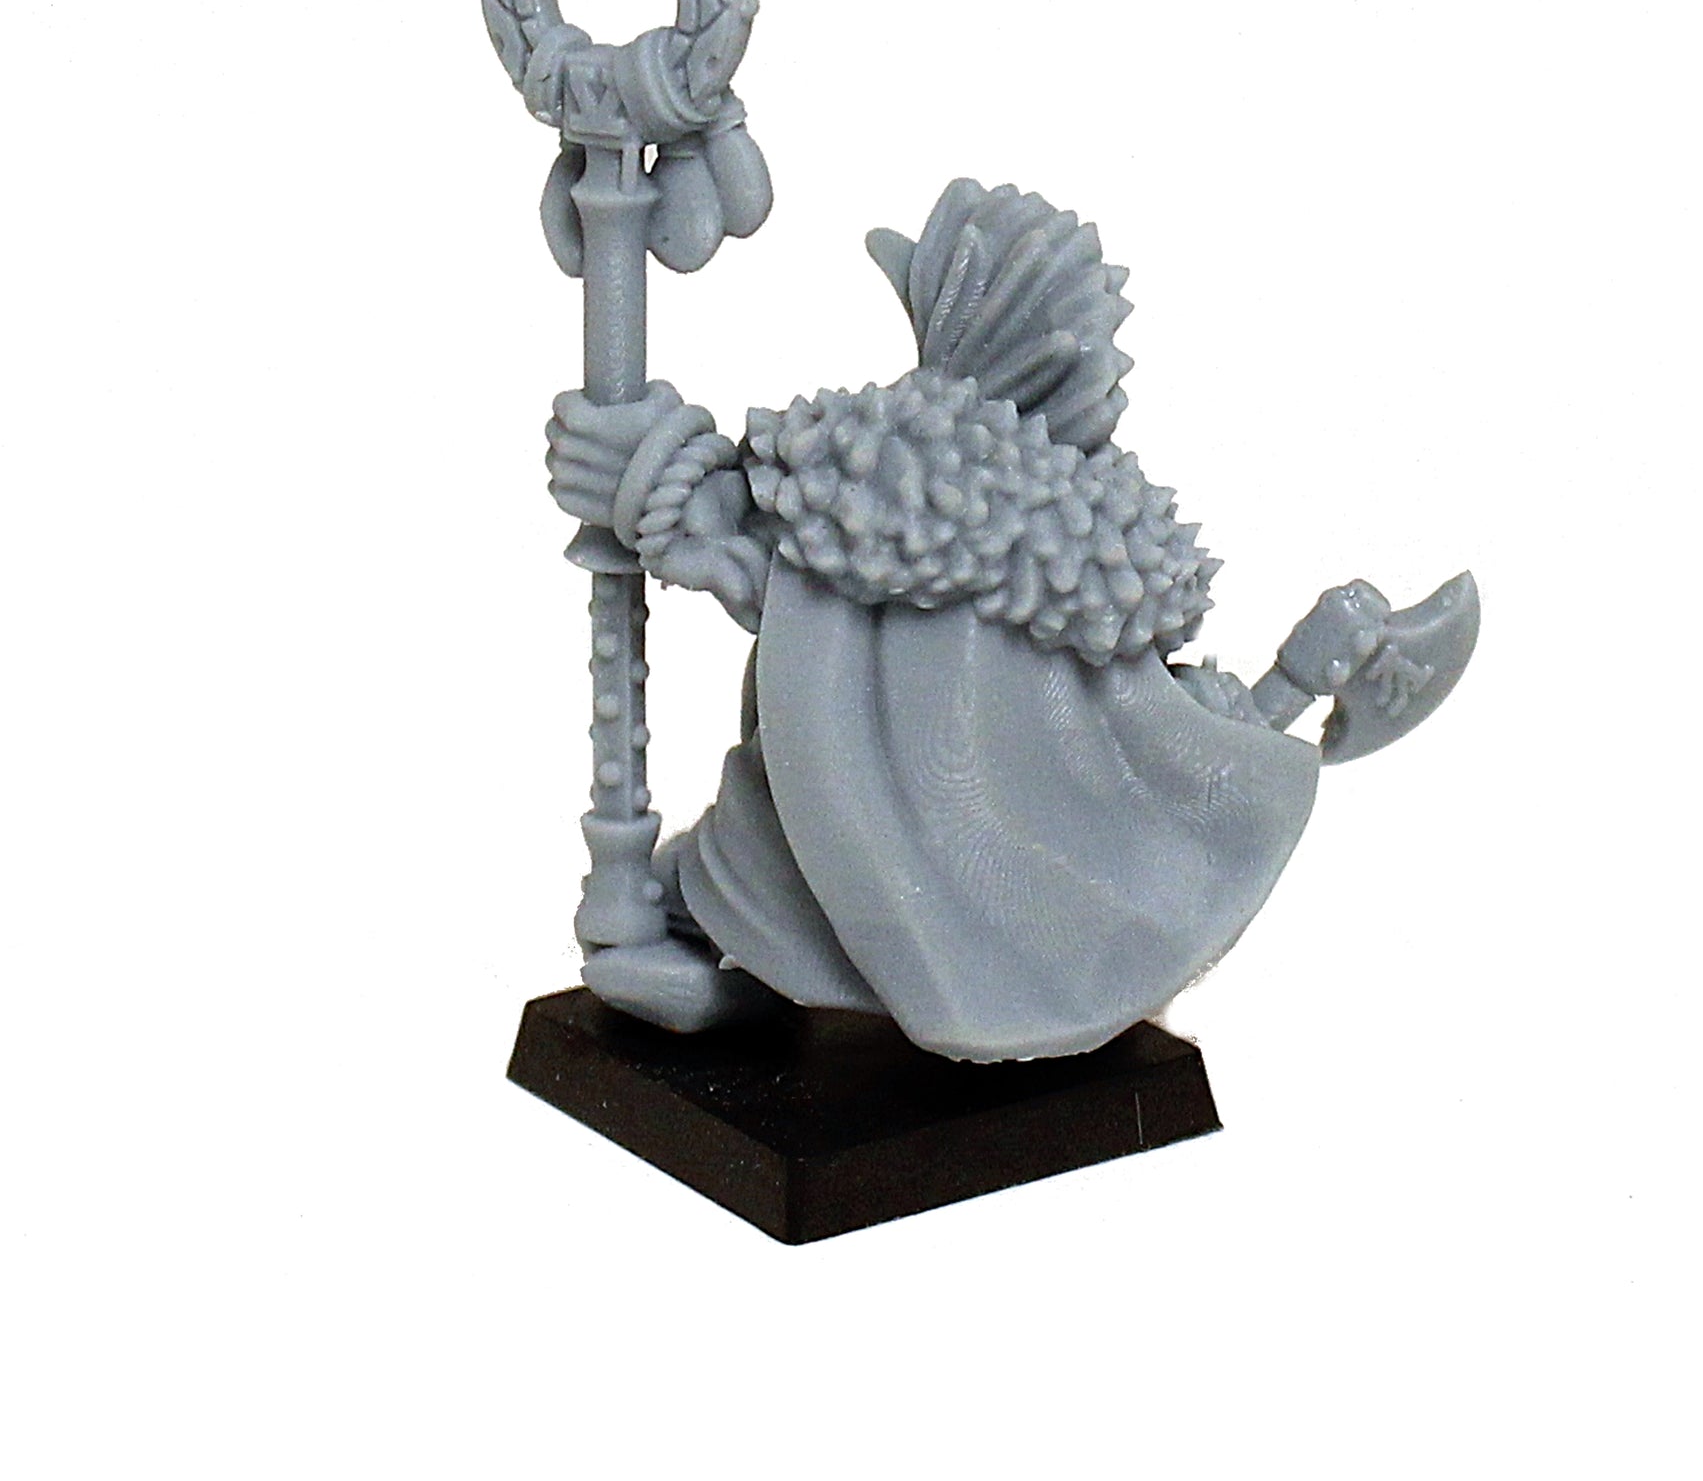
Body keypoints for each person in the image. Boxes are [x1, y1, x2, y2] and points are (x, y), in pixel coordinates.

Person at [544, 180, 1376, 1062]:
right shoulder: (1052, 512)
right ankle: (701, 944)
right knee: (761, 867)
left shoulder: (907, 471)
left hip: (943, 829)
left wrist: (646, 479)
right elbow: (756, 557)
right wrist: (651, 478)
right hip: (879, 818)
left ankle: (687, 937)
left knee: (757, 868)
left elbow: (752, 553)